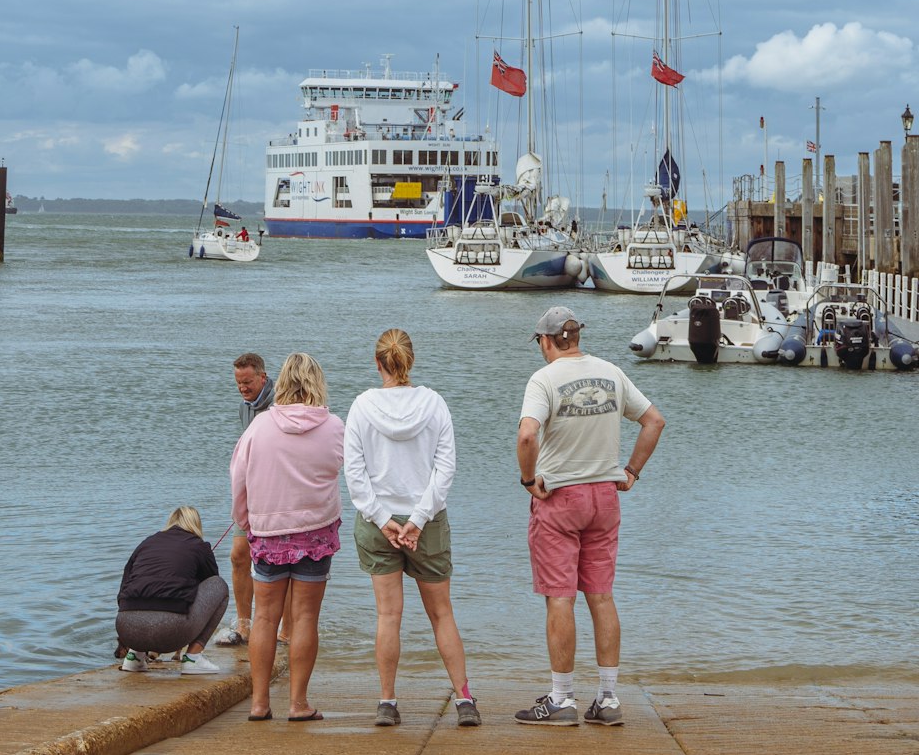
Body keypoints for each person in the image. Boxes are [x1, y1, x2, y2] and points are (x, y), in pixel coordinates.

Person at [515, 306, 665, 728]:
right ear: (576, 337)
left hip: (560, 497)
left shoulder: (543, 379)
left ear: (546, 341)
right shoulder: (611, 372)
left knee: (560, 597)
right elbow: (654, 421)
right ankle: (609, 698)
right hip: (605, 497)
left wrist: (528, 479)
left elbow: (527, 434)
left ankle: (562, 699)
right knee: (600, 595)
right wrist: (631, 470)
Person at [344, 328, 481, 729]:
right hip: (427, 523)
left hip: (377, 524)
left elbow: (355, 475)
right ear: (410, 361)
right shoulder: (434, 403)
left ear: (378, 363)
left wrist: (385, 520)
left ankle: (387, 701)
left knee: (388, 615)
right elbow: (445, 470)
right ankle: (464, 699)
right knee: (442, 614)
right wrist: (418, 520)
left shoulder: (361, 406)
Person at [230, 352, 344, 721]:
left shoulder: (259, 427)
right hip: (315, 533)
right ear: (317, 383)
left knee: (264, 618)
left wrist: (245, 522)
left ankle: (260, 703)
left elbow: (238, 479)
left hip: (268, 533)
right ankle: (298, 704)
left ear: (280, 382)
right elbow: (348, 470)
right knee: (306, 618)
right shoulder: (334, 427)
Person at [116, 506, 228, 675]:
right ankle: (193, 658)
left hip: (126, 629)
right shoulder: (199, 545)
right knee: (220, 586)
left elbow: (124, 588)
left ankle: (135, 657)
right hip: (171, 632)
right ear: (195, 524)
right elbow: (210, 585)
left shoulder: (147, 542)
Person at [216, 353, 276, 647]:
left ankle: (284, 632)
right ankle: (244, 625)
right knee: (239, 555)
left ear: (262, 378)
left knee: (281, 562)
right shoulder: (244, 409)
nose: (243, 388)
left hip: (277, 495)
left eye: (248, 382)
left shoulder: (280, 403)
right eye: (239, 383)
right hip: (250, 494)